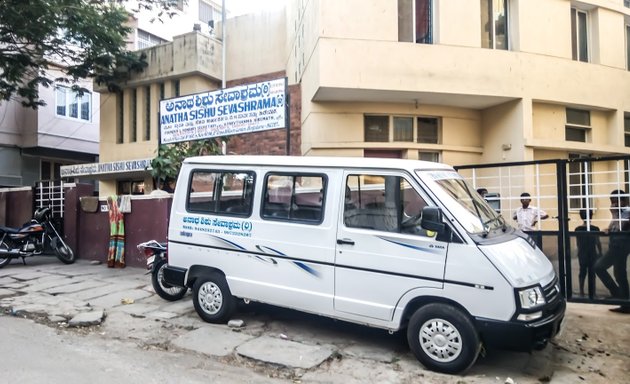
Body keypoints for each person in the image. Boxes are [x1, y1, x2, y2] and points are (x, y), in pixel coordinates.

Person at [594, 190, 630, 313]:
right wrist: (608, 228)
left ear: (624, 200)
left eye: (615, 201)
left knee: (601, 267)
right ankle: (623, 300)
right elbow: (614, 226)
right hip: (616, 244)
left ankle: (620, 298)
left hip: (621, 246)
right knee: (619, 273)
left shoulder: (627, 211)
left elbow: (621, 226)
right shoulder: (619, 212)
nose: (613, 204)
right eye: (612, 201)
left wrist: (615, 213)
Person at [575, 209, 602, 297]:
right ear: (591, 216)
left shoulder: (578, 229)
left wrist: (579, 251)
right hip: (592, 253)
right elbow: (598, 242)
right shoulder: (595, 228)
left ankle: (581, 292)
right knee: (592, 272)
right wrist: (600, 252)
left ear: (581, 217)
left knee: (582, 272)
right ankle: (592, 292)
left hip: (582, 253)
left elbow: (578, 243)